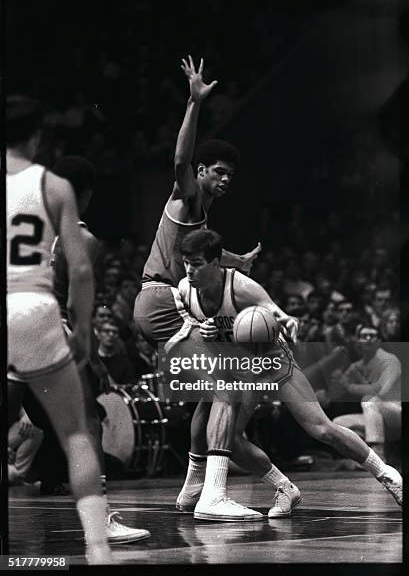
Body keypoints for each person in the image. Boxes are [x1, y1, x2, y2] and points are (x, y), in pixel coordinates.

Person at [134, 56, 274, 521]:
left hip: (167, 304)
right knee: (227, 387)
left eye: (230, 174)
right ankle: (215, 498)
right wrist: (193, 103)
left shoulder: (201, 218)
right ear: (201, 173)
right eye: (218, 171)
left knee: (206, 397)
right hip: (159, 302)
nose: (225, 179)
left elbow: (207, 255)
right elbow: (178, 159)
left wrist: (239, 261)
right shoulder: (186, 193)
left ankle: (193, 490)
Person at [175, 229, 402, 515]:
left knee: (321, 428)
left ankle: (388, 475)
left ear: (216, 263)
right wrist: (200, 330)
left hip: (272, 359)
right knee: (229, 438)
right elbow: (186, 330)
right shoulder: (185, 289)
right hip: (242, 369)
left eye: (196, 263)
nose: (189, 270)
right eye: (186, 262)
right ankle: (284, 487)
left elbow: (276, 312)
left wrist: (288, 321)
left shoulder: (242, 287)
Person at [6, 95, 112, 564]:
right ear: (36, 137)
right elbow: (83, 271)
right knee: (75, 433)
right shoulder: (53, 185)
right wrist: (84, 332)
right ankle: (97, 546)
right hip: (38, 306)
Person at [49, 154, 150, 543]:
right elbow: (77, 308)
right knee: (89, 423)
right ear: (87, 193)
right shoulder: (82, 237)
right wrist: (93, 360)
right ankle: (100, 521)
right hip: (52, 331)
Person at [332, 324, 401, 462]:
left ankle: (378, 453)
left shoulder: (390, 360)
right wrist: (335, 375)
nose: (368, 339)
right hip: (376, 420)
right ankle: (364, 457)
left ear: (378, 341)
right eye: (364, 336)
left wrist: (350, 386)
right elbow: (336, 390)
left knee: (370, 401)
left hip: (396, 414)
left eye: (372, 336)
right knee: (338, 424)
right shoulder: (356, 366)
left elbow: (382, 390)